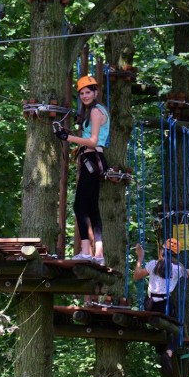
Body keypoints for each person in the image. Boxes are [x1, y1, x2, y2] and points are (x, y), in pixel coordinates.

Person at [55, 75, 109, 265]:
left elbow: (93, 141)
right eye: (82, 93)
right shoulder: (97, 110)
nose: (85, 96)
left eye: (88, 92)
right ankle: (99, 254)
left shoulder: (95, 111)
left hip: (93, 157)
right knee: (92, 207)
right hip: (93, 158)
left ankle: (86, 251)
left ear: (95, 92)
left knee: (80, 205)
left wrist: (67, 137)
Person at [134, 238, 189, 367]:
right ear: (176, 254)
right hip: (164, 306)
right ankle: (168, 353)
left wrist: (140, 257)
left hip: (149, 304)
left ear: (162, 251)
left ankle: (161, 347)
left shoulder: (152, 264)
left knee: (162, 324)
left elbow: (136, 276)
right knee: (179, 331)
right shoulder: (178, 269)